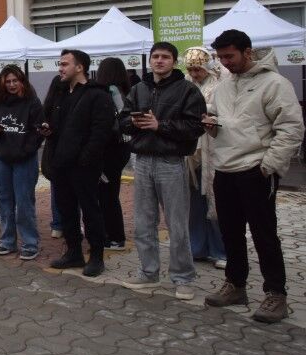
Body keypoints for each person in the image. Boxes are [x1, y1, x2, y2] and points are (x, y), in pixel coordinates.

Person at [203, 29, 305, 323]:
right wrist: (213, 124)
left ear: (248, 52)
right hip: (225, 169)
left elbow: (291, 128)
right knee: (230, 233)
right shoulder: (223, 86)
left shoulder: (274, 83)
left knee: (264, 234)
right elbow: (226, 120)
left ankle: (276, 293)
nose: (225, 62)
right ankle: (235, 285)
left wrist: (268, 165)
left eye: (229, 56)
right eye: (220, 57)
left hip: (256, 171)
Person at [119, 42, 205, 299]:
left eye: (165, 57)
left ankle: (183, 278)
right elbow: (121, 121)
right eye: (155, 56)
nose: (158, 61)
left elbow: (195, 126)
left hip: (171, 161)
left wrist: (161, 125)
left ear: (174, 61)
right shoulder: (138, 89)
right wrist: (133, 123)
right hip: (142, 160)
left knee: (177, 223)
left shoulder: (187, 90)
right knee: (144, 222)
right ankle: (148, 273)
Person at [41, 49, 114, 277]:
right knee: (66, 211)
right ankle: (74, 253)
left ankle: (96, 256)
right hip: (61, 164)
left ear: (79, 67)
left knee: (91, 211)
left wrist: (85, 159)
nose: (60, 68)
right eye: (59, 64)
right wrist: (47, 131)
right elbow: (53, 123)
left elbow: (100, 133)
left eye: (64, 64)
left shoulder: (98, 95)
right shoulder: (61, 93)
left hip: (84, 166)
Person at [0, 65, 43, 260]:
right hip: (1, 157)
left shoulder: (33, 102)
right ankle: (7, 241)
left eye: (15, 81)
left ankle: (30, 242)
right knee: (4, 201)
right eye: (7, 81)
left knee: (24, 201)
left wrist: (27, 149)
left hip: (24, 159)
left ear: (22, 81)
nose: (11, 85)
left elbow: (39, 130)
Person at [182, 47, 226, 270]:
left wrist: (204, 112)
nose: (195, 73)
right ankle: (197, 246)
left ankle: (220, 250)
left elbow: (223, 111)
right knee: (193, 202)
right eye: (191, 69)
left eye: (198, 69)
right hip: (192, 152)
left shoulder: (220, 83)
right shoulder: (186, 84)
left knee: (215, 200)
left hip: (213, 148)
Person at [94, 57, 131, 250]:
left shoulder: (111, 91)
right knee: (109, 192)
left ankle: (115, 236)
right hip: (121, 147)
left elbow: (116, 119)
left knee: (107, 193)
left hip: (111, 147)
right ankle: (112, 234)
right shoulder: (124, 90)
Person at [41, 75, 65, 239]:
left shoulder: (49, 104)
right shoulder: (68, 102)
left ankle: (57, 225)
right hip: (62, 151)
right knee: (72, 190)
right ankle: (67, 223)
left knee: (57, 190)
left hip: (53, 151)